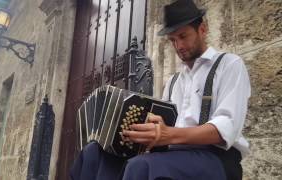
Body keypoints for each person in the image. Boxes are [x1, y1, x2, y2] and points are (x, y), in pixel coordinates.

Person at [70, 0, 251, 179]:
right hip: (173, 155)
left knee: (141, 167)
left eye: (183, 36)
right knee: (94, 154)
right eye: (173, 40)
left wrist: (169, 135)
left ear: (202, 30)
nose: (178, 46)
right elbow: (162, 129)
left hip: (216, 159)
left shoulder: (229, 65)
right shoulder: (174, 81)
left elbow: (226, 128)